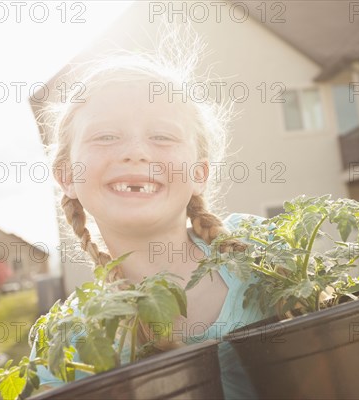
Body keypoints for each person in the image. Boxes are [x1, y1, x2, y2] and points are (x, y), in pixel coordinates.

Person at [31, 32, 272, 398]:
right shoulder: (69, 341)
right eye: (106, 136)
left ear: (199, 174)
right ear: (66, 176)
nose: (137, 152)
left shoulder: (262, 253)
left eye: (162, 136)